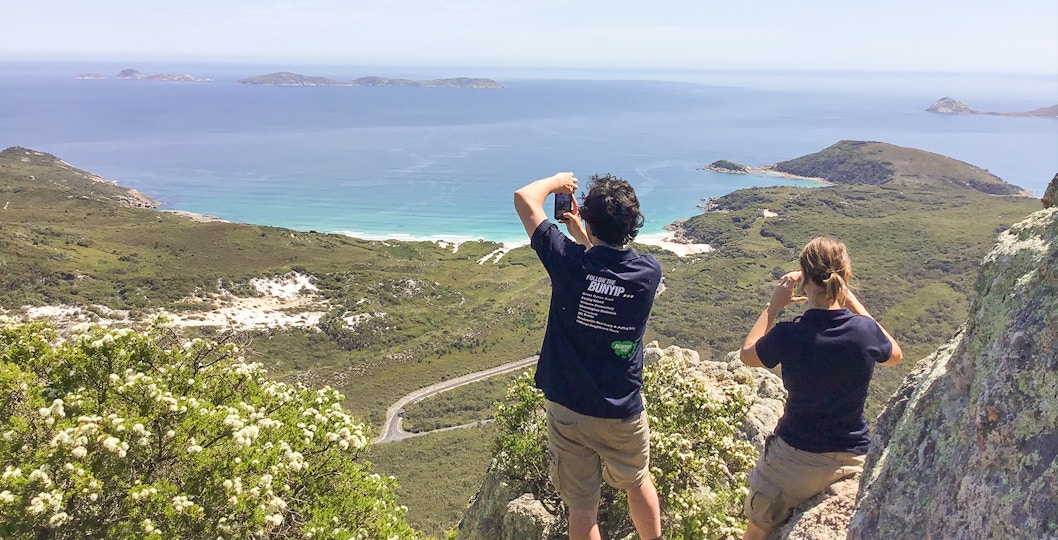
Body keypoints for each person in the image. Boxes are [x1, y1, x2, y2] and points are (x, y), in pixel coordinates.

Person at [514, 172, 663, 540]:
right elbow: (608, 268)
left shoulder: (567, 262)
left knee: (582, 506)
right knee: (637, 481)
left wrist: (558, 181)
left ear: (590, 221)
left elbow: (524, 198)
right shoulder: (647, 273)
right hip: (620, 408)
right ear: (632, 226)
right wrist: (586, 235)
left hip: (569, 406)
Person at [738, 236, 904, 540]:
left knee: (757, 530)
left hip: (793, 461)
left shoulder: (789, 334)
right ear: (846, 276)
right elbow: (895, 355)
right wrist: (850, 300)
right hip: (853, 458)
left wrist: (773, 307)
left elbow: (747, 354)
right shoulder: (864, 332)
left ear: (804, 279)